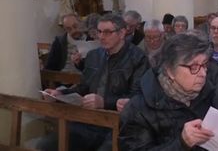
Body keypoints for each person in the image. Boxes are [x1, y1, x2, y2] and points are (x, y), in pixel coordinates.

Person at [119, 33, 218, 150]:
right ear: (170, 70)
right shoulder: (138, 109)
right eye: (193, 67)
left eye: (204, 65)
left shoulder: (206, 92)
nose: (203, 73)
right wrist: (182, 142)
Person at [38, 13, 150, 151]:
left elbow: (138, 97)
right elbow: (83, 87)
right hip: (88, 120)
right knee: (46, 146)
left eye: (108, 32)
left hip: (119, 124)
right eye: (99, 31)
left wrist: (104, 102)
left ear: (122, 33)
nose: (101, 37)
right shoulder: (93, 56)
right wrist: (59, 93)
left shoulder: (138, 58)